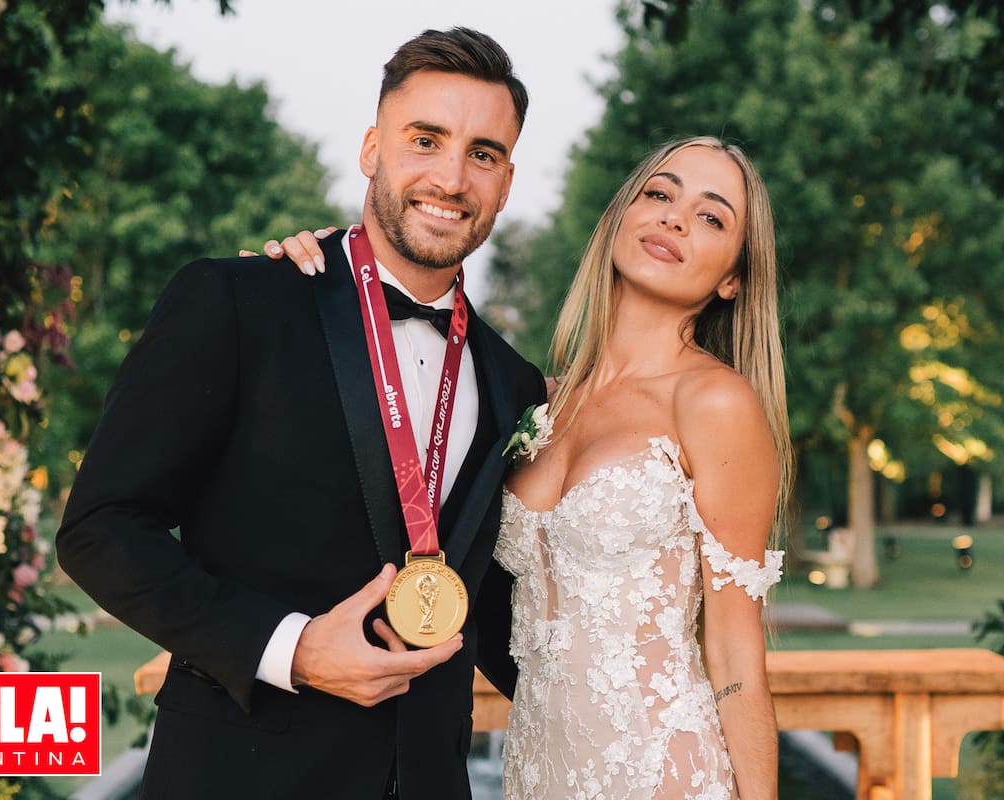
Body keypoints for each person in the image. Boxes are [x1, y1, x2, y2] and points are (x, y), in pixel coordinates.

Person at [55, 27, 544, 800]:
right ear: (371, 148)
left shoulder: (517, 384)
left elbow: (490, 604)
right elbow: (102, 529)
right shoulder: (238, 301)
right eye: (426, 139)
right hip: (240, 774)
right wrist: (292, 647)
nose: (451, 177)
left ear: (507, 180)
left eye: (483, 153)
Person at [268, 135, 791, 799]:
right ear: (619, 220)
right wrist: (318, 273)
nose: (674, 218)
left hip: (664, 773)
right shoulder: (530, 399)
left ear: (733, 277)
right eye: (658, 194)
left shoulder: (716, 402)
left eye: (712, 217)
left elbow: (736, 650)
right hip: (539, 771)